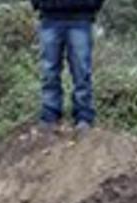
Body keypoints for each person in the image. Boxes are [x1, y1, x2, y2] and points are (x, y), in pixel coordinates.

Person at [30, 0, 106, 132]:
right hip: (50, 18)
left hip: (81, 19)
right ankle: (50, 116)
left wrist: (92, 5)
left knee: (82, 72)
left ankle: (84, 117)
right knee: (49, 72)